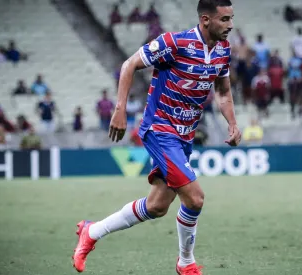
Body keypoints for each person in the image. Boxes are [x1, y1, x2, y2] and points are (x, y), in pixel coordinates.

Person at [72, 1, 241, 274]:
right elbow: (129, 65)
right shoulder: (174, 43)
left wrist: (232, 123)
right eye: (225, 19)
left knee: (157, 206)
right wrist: (120, 110)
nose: (230, 25)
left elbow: (222, 92)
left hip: (185, 136)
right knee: (195, 198)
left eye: (231, 18)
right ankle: (186, 263)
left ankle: (91, 232)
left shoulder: (223, 50)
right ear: (206, 20)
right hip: (160, 129)